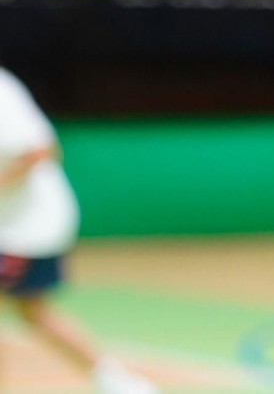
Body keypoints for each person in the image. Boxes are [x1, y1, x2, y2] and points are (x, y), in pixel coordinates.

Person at [0, 68, 158, 394]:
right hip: (14, 223)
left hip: (25, 227)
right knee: (34, 311)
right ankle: (118, 381)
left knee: (32, 309)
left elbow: (40, 150)